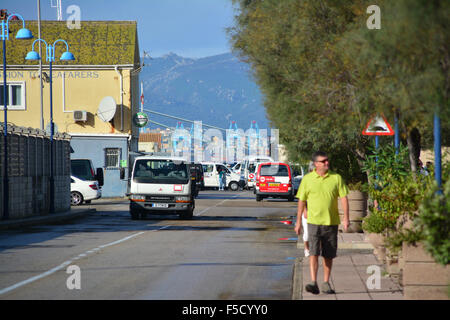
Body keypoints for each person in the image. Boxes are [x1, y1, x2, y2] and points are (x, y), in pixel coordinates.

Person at [294, 151, 349, 295]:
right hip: (313, 222)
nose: (327, 163)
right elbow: (301, 200)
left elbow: (344, 198)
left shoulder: (336, 178)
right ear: (316, 164)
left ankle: (325, 282)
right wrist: (298, 221)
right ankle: (313, 282)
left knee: (328, 254)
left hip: (331, 223)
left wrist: (346, 218)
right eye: (323, 161)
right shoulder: (307, 179)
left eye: (327, 160)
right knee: (313, 252)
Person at [302, 161, 316, 257]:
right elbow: (302, 199)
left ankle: (315, 249)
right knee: (307, 233)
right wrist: (305, 210)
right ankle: (306, 249)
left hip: (318, 211)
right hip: (307, 210)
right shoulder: (306, 181)